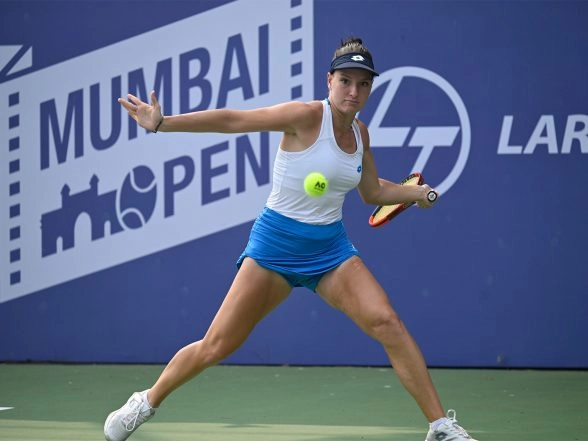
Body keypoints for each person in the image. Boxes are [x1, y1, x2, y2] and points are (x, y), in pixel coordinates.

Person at [104, 37, 478, 441]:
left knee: (388, 323)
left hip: (330, 250)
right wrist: (163, 123)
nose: (353, 91)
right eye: (346, 81)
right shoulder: (304, 116)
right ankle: (146, 401)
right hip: (275, 247)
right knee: (216, 345)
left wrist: (414, 193)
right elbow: (233, 120)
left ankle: (439, 426)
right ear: (329, 81)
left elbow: (371, 192)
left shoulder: (360, 134)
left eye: (363, 84)